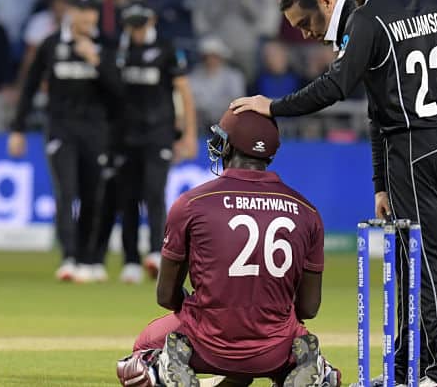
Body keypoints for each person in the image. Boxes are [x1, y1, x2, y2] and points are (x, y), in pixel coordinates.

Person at [232, 0, 437, 387]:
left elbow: (335, 88)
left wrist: (272, 107)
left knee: (427, 264)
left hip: (416, 147)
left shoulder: (369, 19)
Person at [116, 109, 340, 387]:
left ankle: (162, 370)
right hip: (274, 350)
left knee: (140, 352)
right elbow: (308, 307)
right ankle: (311, 372)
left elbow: (165, 295)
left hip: (205, 343)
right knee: (301, 345)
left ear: (230, 146)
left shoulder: (192, 204)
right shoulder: (307, 211)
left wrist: (191, 304)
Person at [7, 0, 121, 283]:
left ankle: (87, 257)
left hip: (96, 132)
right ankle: (69, 257)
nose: (87, 17)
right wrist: (18, 128)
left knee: (92, 196)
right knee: (66, 193)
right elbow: (30, 86)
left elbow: (119, 92)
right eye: (82, 10)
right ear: (71, 12)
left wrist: (95, 60)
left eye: (92, 11)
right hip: (61, 130)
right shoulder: (51, 44)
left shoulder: (105, 45)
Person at [95, 2, 198, 284]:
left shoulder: (166, 50)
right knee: (127, 197)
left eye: (141, 25)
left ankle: (155, 252)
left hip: (158, 133)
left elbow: (184, 94)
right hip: (125, 136)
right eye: (132, 26)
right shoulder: (119, 51)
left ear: (151, 21)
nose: (137, 32)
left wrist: (189, 134)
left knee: (154, 191)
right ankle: (130, 260)